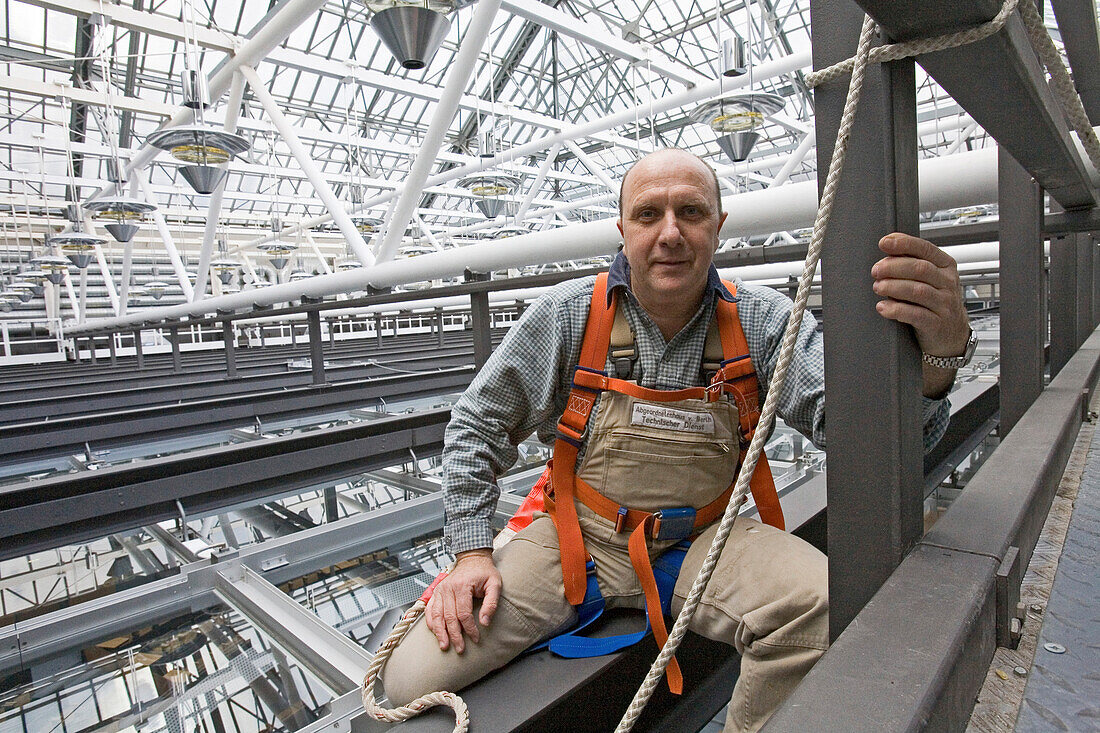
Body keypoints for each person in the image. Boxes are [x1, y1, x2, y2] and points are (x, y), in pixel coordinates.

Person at [383, 148, 972, 731]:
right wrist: (470, 552)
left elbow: (864, 441)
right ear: (622, 231)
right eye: (648, 215)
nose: (670, 234)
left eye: (690, 212)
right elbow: (475, 424)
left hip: (705, 536)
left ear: (719, 227)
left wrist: (937, 364)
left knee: (817, 606)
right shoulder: (569, 316)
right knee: (408, 681)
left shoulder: (764, 321)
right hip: (578, 540)